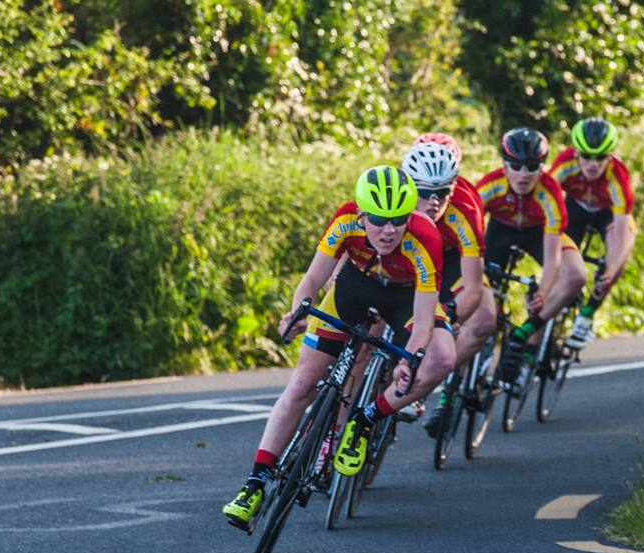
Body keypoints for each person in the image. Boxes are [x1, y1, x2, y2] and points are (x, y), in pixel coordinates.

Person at [222, 166, 456, 528]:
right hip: (354, 288)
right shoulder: (345, 219)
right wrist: (299, 310)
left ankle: (364, 420)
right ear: (362, 214)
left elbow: (424, 321)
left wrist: (411, 358)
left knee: (442, 357)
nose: (389, 230)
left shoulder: (425, 237)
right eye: (378, 220)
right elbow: (313, 279)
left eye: (397, 220)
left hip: (405, 299)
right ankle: (255, 482)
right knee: (302, 384)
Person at [399, 142, 496, 438]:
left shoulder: (465, 208)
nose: (434, 202)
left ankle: (431, 385)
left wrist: (449, 318)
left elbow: (473, 285)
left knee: (484, 319)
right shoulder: (395, 198)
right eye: (425, 193)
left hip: (453, 262)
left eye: (442, 193)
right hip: (408, 259)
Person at [476, 127, 587, 384]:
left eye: (531, 166)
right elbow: (470, 232)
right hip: (500, 232)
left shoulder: (550, 194)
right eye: (515, 165)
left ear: (542, 168)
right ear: (504, 165)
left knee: (575, 275)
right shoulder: (490, 185)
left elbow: (551, 256)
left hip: (538, 234)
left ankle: (525, 334)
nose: (523, 174)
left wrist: (544, 292)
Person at [549, 117, 636, 349]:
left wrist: (611, 267)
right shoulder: (564, 163)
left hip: (606, 214)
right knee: (558, 253)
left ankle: (587, 316)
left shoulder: (618, 176)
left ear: (610, 156)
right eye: (586, 156)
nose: (592, 164)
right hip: (575, 207)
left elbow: (621, 230)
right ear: (576, 153)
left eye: (600, 157)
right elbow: (546, 201)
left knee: (622, 248)